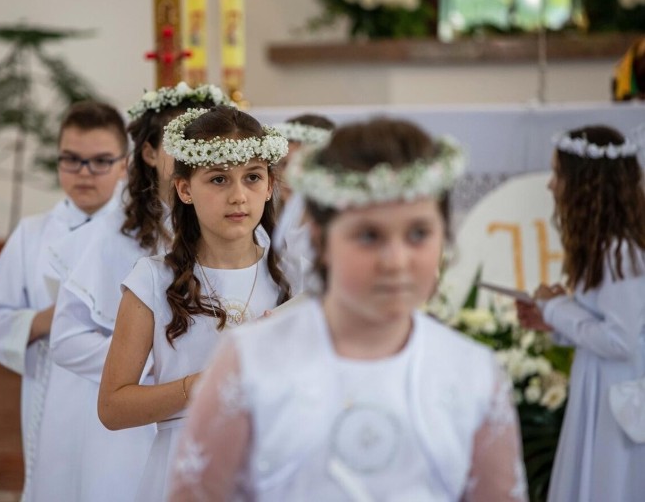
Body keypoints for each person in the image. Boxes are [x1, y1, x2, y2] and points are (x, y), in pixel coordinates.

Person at [169, 119, 528, 501]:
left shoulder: (472, 371)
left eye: (419, 233)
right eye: (369, 235)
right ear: (322, 241)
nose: (396, 261)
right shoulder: (251, 361)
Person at [36, 83, 232, 502]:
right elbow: (68, 339)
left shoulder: (234, 227)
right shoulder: (115, 237)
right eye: (182, 142)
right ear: (148, 152)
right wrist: (150, 369)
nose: (195, 154)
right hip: (135, 427)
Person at [97, 105, 291, 501]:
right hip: (187, 463)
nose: (239, 196)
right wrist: (202, 386)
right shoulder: (152, 281)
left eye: (252, 177)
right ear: (185, 189)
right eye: (218, 179)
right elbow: (113, 407)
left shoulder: (299, 278)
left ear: (269, 185)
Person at [0, 101, 128, 500]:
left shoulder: (142, 231)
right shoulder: (33, 233)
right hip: (55, 387)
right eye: (71, 160)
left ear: (125, 164)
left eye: (100, 161)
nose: (84, 173)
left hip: (129, 390)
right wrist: (47, 320)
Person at [516, 125, 645, 502]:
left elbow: (620, 341)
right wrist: (553, 320)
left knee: (611, 484)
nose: (551, 185)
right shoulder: (608, 246)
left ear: (585, 183)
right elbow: (604, 324)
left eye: (558, 174)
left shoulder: (620, 252)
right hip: (602, 383)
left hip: (618, 394)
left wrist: (555, 307)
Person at [270, 114, 336, 293]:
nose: (290, 176)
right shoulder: (265, 229)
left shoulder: (336, 235)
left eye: (303, 166)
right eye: (284, 164)